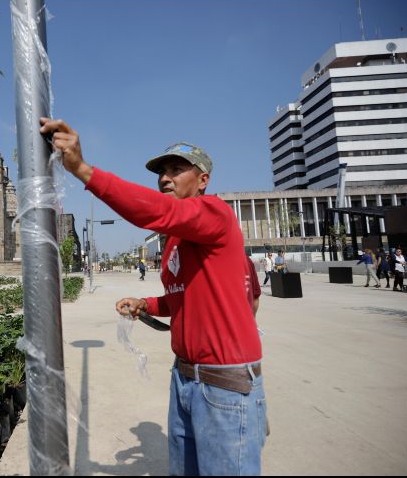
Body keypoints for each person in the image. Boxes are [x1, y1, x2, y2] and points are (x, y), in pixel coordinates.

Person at [40, 118, 266, 476]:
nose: (165, 178)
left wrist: (83, 169)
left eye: (176, 170)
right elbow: (181, 299)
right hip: (185, 378)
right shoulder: (176, 239)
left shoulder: (215, 214)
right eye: (161, 172)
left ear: (203, 180)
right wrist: (146, 304)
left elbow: (250, 300)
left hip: (224, 385)